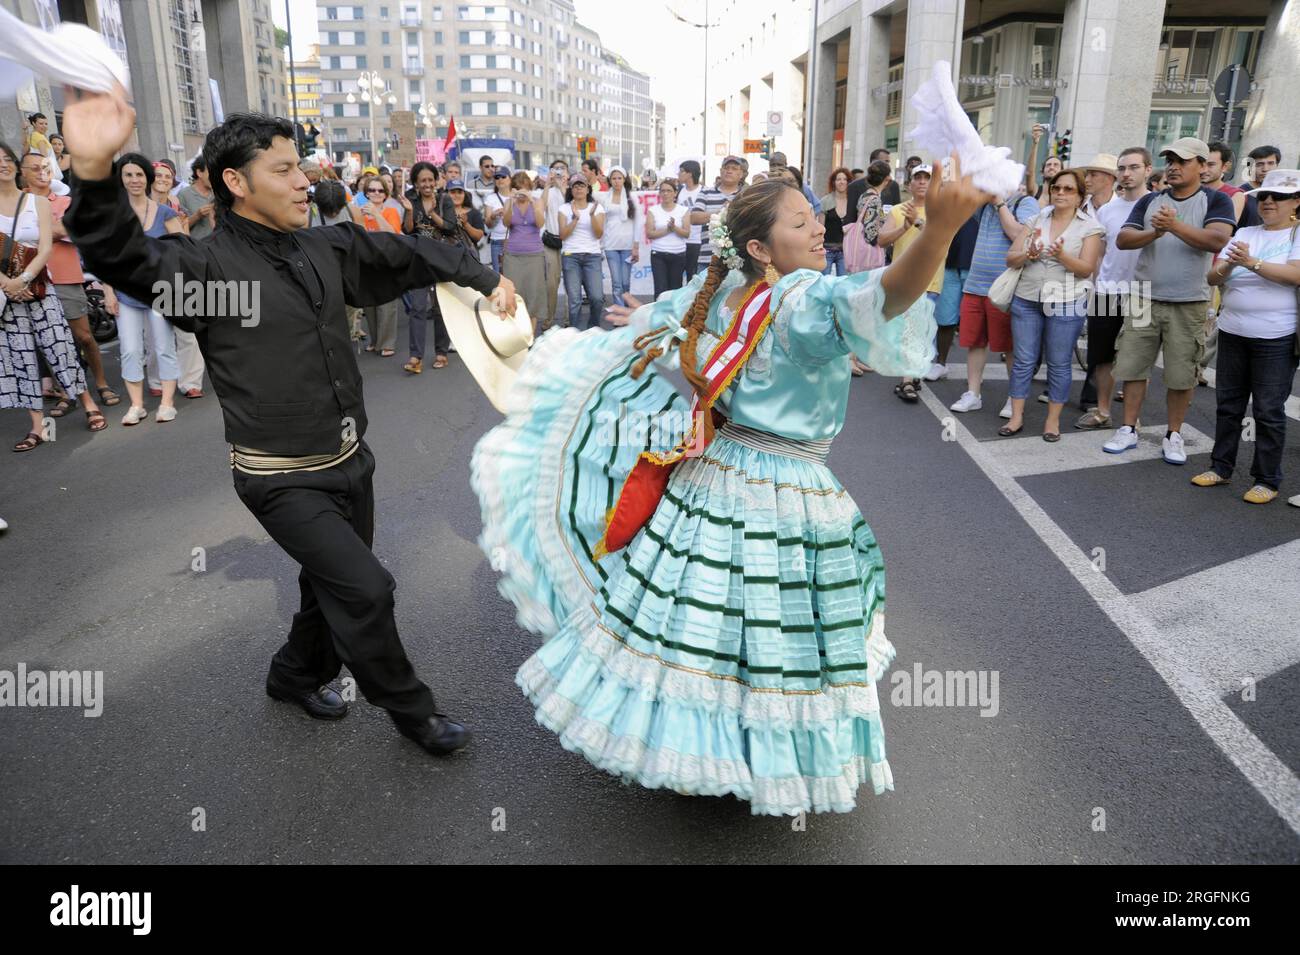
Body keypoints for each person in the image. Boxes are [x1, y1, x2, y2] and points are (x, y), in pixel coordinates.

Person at [470, 163, 990, 816]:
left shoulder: (733, 294)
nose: (818, 230)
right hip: (786, 486)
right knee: (769, 625)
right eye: (800, 222)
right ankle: (753, 748)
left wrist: (646, 318)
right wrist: (937, 231)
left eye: (813, 217)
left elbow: (687, 316)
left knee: (709, 618)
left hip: (717, 471)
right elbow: (888, 293)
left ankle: (714, 746)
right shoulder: (798, 299)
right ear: (756, 248)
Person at [63, 94, 515, 756]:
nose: (304, 180)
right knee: (365, 587)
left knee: (325, 588)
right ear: (236, 183)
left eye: (300, 166)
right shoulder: (210, 273)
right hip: (280, 477)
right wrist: (93, 169)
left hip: (350, 463)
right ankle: (413, 712)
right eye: (282, 169)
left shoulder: (327, 246)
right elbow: (123, 256)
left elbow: (407, 253)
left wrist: (483, 276)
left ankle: (294, 674)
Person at [1105, 137, 1236, 463]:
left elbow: (1218, 239)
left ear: (1202, 167)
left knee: (1181, 374)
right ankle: (1128, 429)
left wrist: (1174, 225)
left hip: (1189, 301)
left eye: (1183, 161)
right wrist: (1156, 233)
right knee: (1133, 367)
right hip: (1143, 297)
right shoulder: (1150, 201)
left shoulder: (1216, 200)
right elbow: (1123, 239)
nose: (1174, 166)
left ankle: (1173, 434)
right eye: (1170, 160)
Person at [1196, 169, 1300, 504]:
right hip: (1233, 330)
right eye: (1264, 196)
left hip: (1276, 337)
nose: (1268, 202)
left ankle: (1266, 479)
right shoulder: (1246, 232)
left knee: (1268, 410)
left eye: (1278, 197)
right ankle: (1221, 467)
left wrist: (1251, 263)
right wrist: (1230, 265)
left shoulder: (1297, 233)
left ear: (1296, 202)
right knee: (1228, 405)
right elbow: (1213, 277)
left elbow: (1295, 275)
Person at [1, 141, 103, 448]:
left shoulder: (37, 204)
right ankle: (38, 426)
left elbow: (47, 247)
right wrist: (7, 284)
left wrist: (24, 279)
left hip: (42, 290)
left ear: (14, 165)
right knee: (22, 359)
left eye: (6, 158)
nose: (2, 164)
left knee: (60, 347)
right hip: (7, 299)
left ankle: (89, 404)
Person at [1001, 169, 1104, 440]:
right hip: (1027, 298)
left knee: (1059, 364)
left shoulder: (1089, 227)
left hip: (1066, 301)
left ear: (1080, 196)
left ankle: (1052, 422)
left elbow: (1086, 269)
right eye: (1057, 188)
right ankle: (1016, 417)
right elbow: (1011, 258)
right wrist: (1027, 253)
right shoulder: (1036, 218)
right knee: (1023, 361)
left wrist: (1061, 256)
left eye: (1068, 189)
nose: (1060, 193)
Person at [19, 150, 117, 412]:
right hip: (33, 280)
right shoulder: (17, 204)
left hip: (65, 277)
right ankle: (67, 392)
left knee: (84, 337)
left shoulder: (64, 201)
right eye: (35, 168)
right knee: (50, 341)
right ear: (23, 173)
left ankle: (101, 383)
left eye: (45, 167)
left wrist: (38, 229)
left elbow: (70, 231)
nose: (42, 172)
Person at [103, 152, 184, 425]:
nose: (134, 179)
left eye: (139, 174)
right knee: (130, 349)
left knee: (163, 347)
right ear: (121, 179)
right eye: (128, 174)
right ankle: (136, 405)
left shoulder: (165, 212)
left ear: (147, 178)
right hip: (126, 293)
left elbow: (183, 252)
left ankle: (167, 403)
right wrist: (108, 291)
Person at [950, 180, 1040, 416]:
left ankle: (1015, 397)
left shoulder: (1025, 202)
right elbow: (960, 202)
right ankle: (973, 393)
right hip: (975, 284)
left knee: (1010, 347)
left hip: (1005, 287)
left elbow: (1018, 234)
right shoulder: (984, 204)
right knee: (975, 342)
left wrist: (1000, 202)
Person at [1075, 147, 1150, 430]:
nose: (1127, 173)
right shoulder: (1107, 210)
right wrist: (1092, 286)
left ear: (1147, 170)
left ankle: (1133, 417)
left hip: (1143, 293)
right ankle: (1102, 410)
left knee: (1137, 359)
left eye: (1133, 167)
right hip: (1106, 292)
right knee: (1101, 356)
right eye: (1122, 168)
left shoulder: (1156, 204)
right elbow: (1099, 252)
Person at [877, 163, 947, 403]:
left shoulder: (940, 210)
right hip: (904, 280)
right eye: (917, 177)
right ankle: (908, 379)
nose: (921, 182)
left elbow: (940, 238)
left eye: (927, 178)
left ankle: (910, 375)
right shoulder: (898, 210)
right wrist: (904, 227)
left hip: (930, 280)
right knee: (909, 329)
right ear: (909, 184)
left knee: (920, 330)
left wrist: (918, 223)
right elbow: (881, 240)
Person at [402, 161, 458, 372]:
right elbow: (408, 231)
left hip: (441, 258)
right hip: (419, 259)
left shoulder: (444, 199)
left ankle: (441, 352)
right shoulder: (411, 200)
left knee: (439, 308)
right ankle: (415, 357)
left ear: (435, 181)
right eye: (422, 181)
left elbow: (451, 228)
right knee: (417, 307)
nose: (426, 184)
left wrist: (433, 213)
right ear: (416, 183)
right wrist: (409, 212)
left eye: (430, 180)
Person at [358, 174, 407, 358]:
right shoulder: (359, 211)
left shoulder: (390, 212)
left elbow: (392, 234)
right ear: (366, 193)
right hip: (367, 264)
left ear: (386, 194)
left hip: (386, 263)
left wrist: (376, 214)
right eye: (372, 190)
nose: (376, 193)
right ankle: (375, 340)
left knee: (386, 305)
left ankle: (387, 343)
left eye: (380, 190)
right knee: (369, 305)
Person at [501, 169, 548, 333]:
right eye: (518, 188)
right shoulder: (509, 202)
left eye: (525, 188)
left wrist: (532, 201)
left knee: (533, 294)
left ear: (530, 188)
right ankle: (515, 331)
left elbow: (540, 223)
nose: (522, 192)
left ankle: (530, 334)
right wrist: (511, 202)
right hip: (513, 254)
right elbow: (507, 223)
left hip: (534, 254)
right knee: (514, 294)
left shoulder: (537, 201)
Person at [558, 172, 605, 330]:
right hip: (571, 256)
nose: (578, 189)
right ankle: (575, 333)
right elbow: (563, 235)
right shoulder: (564, 208)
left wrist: (591, 216)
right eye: (575, 186)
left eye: (582, 185)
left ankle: (593, 329)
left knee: (597, 298)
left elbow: (599, 234)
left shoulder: (597, 208)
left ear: (588, 189)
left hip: (592, 256)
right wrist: (575, 219)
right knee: (574, 300)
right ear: (571, 189)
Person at [688, 155, 744, 274]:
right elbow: (694, 218)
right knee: (704, 292)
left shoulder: (746, 195)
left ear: (741, 174)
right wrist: (721, 213)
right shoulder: (706, 192)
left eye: (734, 168)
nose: (729, 171)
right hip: (707, 259)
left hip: (738, 260)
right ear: (720, 171)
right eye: (726, 167)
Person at [538, 159, 569, 330]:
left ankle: (568, 318)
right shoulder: (547, 191)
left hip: (569, 241)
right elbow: (541, 207)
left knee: (571, 283)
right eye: (555, 169)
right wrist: (547, 185)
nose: (558, 172)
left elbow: (571, 206)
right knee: (551, 283)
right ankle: (549, 317)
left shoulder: (572, 189)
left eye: (561, 169)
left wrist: (562, 186)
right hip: (551, 241)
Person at [646, 178, 690, 299]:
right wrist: (667, 229)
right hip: (658, 254)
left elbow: (686, 233)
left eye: (669, 191)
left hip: (678, 254)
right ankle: (659, 317)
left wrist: (674, 227)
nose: (665, 193)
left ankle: (673, 317)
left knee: (675, 290)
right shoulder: (653, 210)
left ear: (675, 193)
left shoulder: (683, 210)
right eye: (663, 191)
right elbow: (649, 233)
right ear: (659, 193)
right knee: (660, 289)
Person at [601, 165, 638, 308]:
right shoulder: (604, 197)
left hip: (628, 245)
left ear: (624, 179)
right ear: (609, 180)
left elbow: (638, 222)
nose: (616, 181)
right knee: (616, 283)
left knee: (625, 282)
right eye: (613, 178)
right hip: (611, 244)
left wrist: (636, 245)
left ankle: (627, 311)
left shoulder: (632, 197)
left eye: (619, 178)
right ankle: (619, 312)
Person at [819, 166, 852, 276]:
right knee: (824, 284)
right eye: (838, 179)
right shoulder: (825, 201)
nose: (842, 182)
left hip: (845, 251)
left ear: (848, 182)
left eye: (844, 179)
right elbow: (821, 227)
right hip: (827, 250)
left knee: (844, 285)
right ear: (833, 182)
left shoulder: (853, 201)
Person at [676, 160, 704, 279]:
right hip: (680, 240)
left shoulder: (703, 191)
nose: (678, 174)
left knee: (692, 276)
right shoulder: (679, 191)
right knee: (676, 276)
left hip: (697, 240)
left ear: (690, 174)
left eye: (682, 171)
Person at [482, 166, 510, 273]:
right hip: (497, 241)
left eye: (503, 176)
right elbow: (488, 225)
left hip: (514, 241)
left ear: (510, 178)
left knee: (515, 276)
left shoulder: (515, 196)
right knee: (499, 277)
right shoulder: (490, 198)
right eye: (497, 177)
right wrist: (493, 215)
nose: (500, 180)